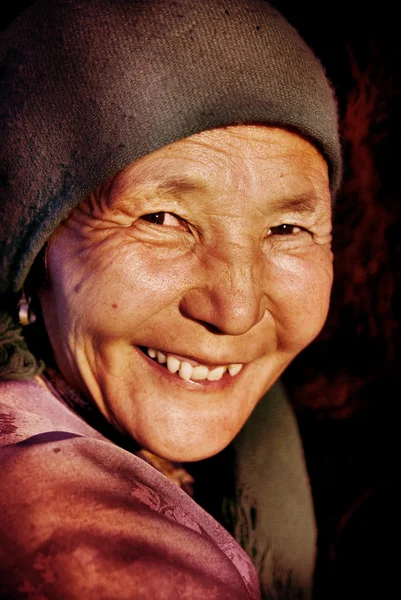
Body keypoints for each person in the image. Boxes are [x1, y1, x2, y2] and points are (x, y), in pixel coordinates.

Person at [0, 1, 342, 598]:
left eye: (287, 229)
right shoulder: (91, 554)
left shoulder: (265, 466)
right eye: (163, 219)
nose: (235, 308)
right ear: (34, 248)